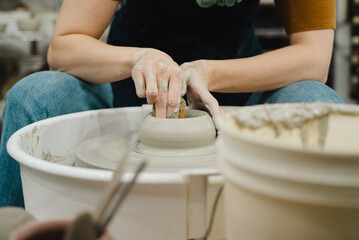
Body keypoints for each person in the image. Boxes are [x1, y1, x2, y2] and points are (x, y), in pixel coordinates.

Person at [0, 0, 344, 207]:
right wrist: (142, 58)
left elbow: (314, 59)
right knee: (33, 96)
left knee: (318, 105)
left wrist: (207, 72)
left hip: (238, 86)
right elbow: (64, 47)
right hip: (127, 85)